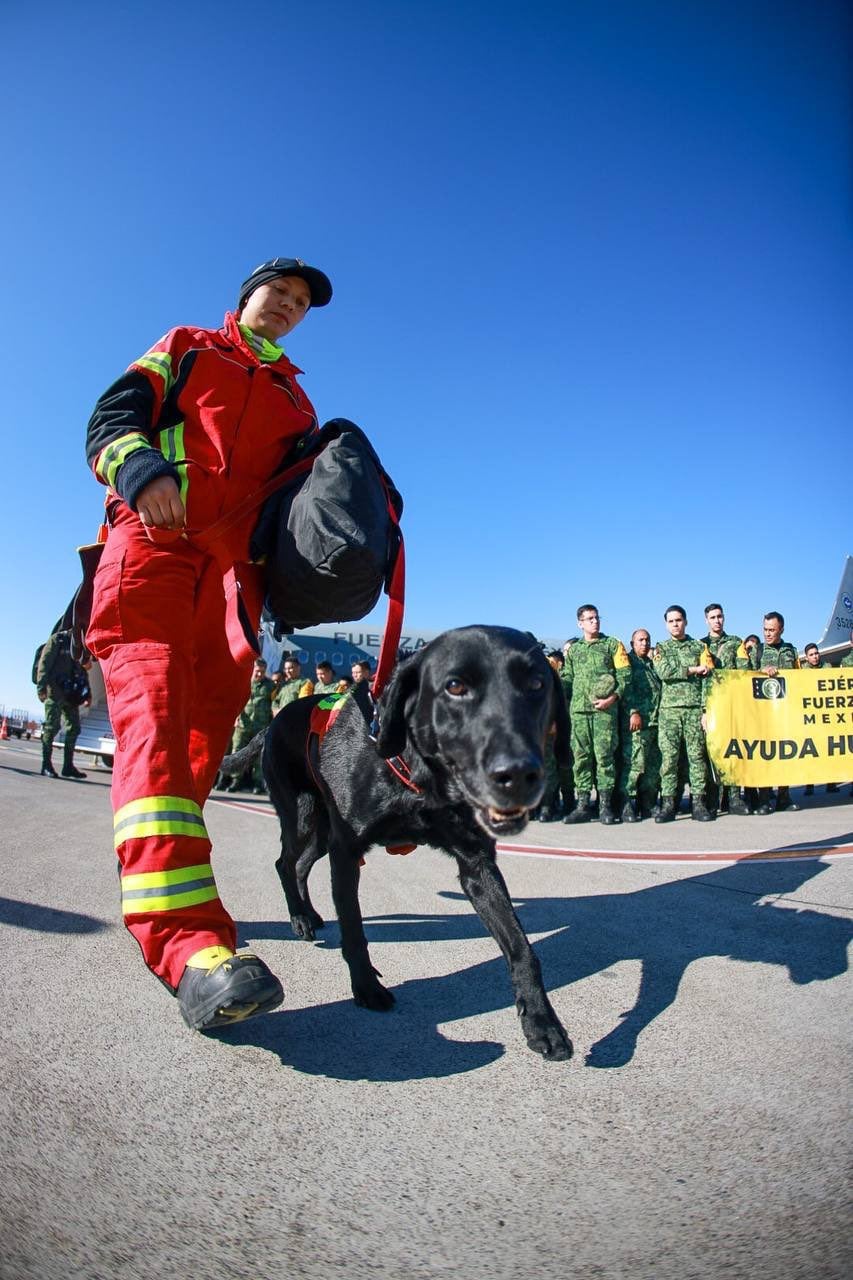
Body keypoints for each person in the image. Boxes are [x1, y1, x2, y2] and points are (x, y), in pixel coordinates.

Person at [85, 256, 333, 1031]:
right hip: (152, 549)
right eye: (278, 293)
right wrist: (141, 470)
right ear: (247, 297)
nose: (287, 306)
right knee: (157, 726)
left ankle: (157, 877)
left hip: (232, 587)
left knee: (198, 750)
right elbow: (109, 421)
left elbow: (294, 513)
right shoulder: (187, 346)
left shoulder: (297, 400)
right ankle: (187, 945)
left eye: (300, 303)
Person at [561, 605, 631, 825]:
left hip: (604, 712)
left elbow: (625, 675)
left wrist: (613, 698)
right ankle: (582, 806)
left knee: (604, 758)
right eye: (589, 619)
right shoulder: (574, 650)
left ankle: (605, 806)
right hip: (579, 712)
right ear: (580, 623)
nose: (595, 621)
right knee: (581, 759)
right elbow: (568, 678)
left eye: (596, 617)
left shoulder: (612, 645)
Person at [653, 606, 715, 823]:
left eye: (678, 620)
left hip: (693, 710)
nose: (675, 624)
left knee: (697, 758)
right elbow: (664, 672)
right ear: (666, 624)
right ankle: (668, 805)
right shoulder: (661, 648)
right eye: (671, 621)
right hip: (669, 712)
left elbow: (708, 678)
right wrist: (693, 669)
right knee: (669, 760)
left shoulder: (700, 647)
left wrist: (705, 710)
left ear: (686, 622)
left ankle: (698, 803)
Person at [746, 612, 801, 814]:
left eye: (772, 630)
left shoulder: (791, 651)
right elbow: (743, 676)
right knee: (765, 755)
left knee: (785, 754)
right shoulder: (757, 651)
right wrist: (760, 672)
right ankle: (764, 800)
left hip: (785, 712)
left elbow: (800, 678)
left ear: (781, 630)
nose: (767, 633)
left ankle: (784, 798)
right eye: (765, 629)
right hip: (764, 713)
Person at [700, 603, 750, 816]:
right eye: (712, 617)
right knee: (712, 752)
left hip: (732, 704)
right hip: (711, 705)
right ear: (706, 620)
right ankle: (713, 799)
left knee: (733, 750)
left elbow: (745, 671)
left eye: (719, 616)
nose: (717, 620)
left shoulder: (736, 643)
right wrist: (703, 710)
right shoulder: (700, 645)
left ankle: (735, 798)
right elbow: (699, 681)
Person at [35, 630, 91, 779]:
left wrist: (87, 694)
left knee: (74, 728)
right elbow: (45, 663)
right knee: (51, 727)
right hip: (54, 692)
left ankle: (68, 766)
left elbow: (82, 671)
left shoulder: (79, 646)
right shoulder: (58, 640)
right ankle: (46, 765)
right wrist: (41, 687)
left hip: (70, 694)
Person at [618, 629, 661, 822]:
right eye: (640, 640)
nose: (645, 643)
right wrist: (633, 711)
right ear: (632, 643)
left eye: (647, 640)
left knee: (652, 767)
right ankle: (626, 804)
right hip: (636, 723)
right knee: (634, 765)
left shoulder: (651, 664)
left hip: (655, 722)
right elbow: (625, 688)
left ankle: (647, 804)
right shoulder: (628, 663)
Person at [224, 658, 274, 793]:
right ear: (253, 670)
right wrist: (235, 717)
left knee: (259, 756)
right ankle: (235, 781)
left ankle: (257, 783)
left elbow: (274, 703)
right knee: (237, 751)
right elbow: (235, 701)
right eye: (257, 671)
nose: (260, 674)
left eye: (262, 672)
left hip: (261, 726)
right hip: (243, 725)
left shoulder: (270, 686)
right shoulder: (244, 682)